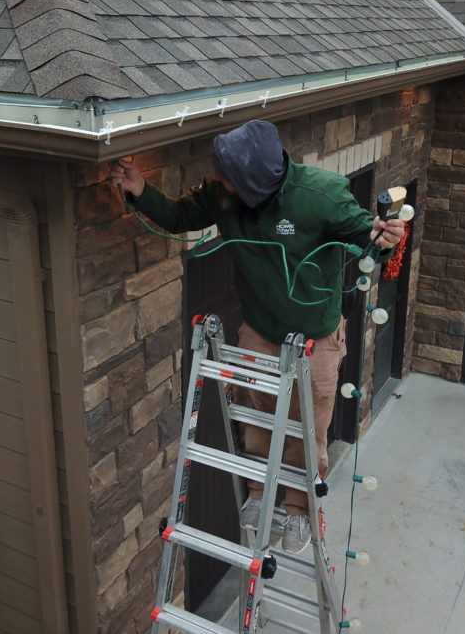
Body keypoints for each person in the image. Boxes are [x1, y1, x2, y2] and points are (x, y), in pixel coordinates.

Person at [108, 119, 404, 554]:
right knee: (257, 416)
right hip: (259, 331)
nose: (215, 180)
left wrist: (386, 240)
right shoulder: (223, 196)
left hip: (315, 342)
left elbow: (369, 237)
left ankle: (300, 510)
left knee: (308, 430)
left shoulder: (321, 196)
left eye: (225, 175)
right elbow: (178, 216)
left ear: (255, 182)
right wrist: (140, 189)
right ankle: (260, 494)